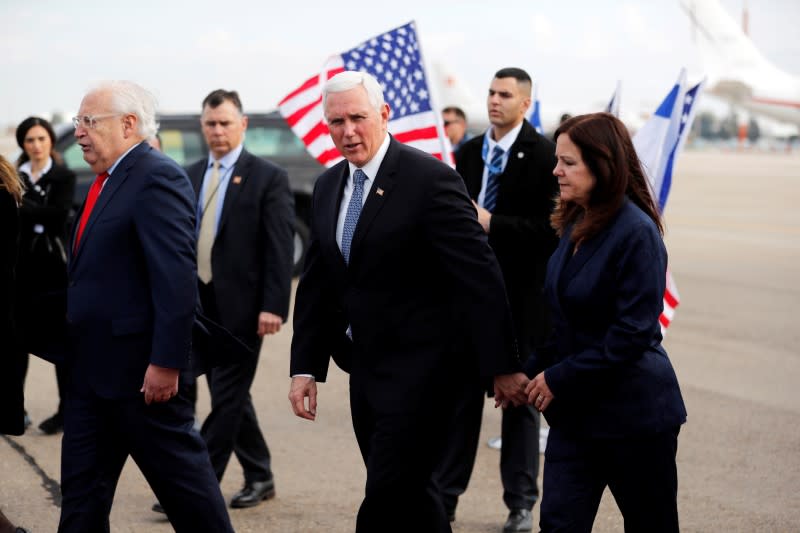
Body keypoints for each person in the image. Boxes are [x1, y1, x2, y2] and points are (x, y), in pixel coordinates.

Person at [288, 70, 529, 533]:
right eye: (336, 122)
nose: (348, 131)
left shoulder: (430, 180)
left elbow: (480, 277)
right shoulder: (327, 187)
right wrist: (305, 367)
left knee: (385, 494)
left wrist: (502, 363)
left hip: (428, 373)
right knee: (414, 498)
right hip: (365, 370)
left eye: (358, 117)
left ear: (383, 114)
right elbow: (319, 285)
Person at [58, 80, 233, 532]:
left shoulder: (156, 176)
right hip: (89, 376)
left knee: (191, 501)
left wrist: (166, 361)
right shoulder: (105, 182)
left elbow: (175, 279)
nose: (79, 131)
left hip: (141, 378)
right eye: (78, 122)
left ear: (129, 124)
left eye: (89, 121)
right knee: (80, 503)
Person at [524, 112, 687, 532]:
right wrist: (522, 374)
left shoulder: (636, 233)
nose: (555, 170)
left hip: (634, 415)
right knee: (559, 525)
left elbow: (633, 334)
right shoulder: (575, 223)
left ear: (603, 164)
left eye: (568, 162)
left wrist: (557, 377)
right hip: (576, 418)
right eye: (557, 159)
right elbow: (563, 323)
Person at [436, 67, 559, 532]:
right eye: (490, 92)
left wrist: (492, 223)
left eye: (505, 94)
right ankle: (445, 499)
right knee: (460, 406)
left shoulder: (545, 155)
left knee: (521, 405)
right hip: (467, 303)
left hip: (522, 305)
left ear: (525, 103)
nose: (493, 101)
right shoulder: (468, 153)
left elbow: (551, 230)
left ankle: (521, 503)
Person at [188, 89, 294, 508]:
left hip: (246, 309)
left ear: (243, 124)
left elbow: (280, 248)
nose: (217, 131)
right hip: (199, 303)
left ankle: (197, 486)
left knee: (228, 397)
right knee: (232, 396)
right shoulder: (191, 172)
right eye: (211, 124)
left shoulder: (268, 176)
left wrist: (274, 305)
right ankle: (260, 475)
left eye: (225, 123)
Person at [13, 116, 76, 436]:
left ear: (51, 140)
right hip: (20, 269)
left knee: (60, 345)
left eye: (41, 139)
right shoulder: (14, 175)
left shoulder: (63, 176)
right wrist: (36, 207)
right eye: (29, 140)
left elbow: (57, 218)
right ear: (22, 145)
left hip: (53, 271)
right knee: (16, 342)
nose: (36, 146)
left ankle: (66, 410)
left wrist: (23, 204)